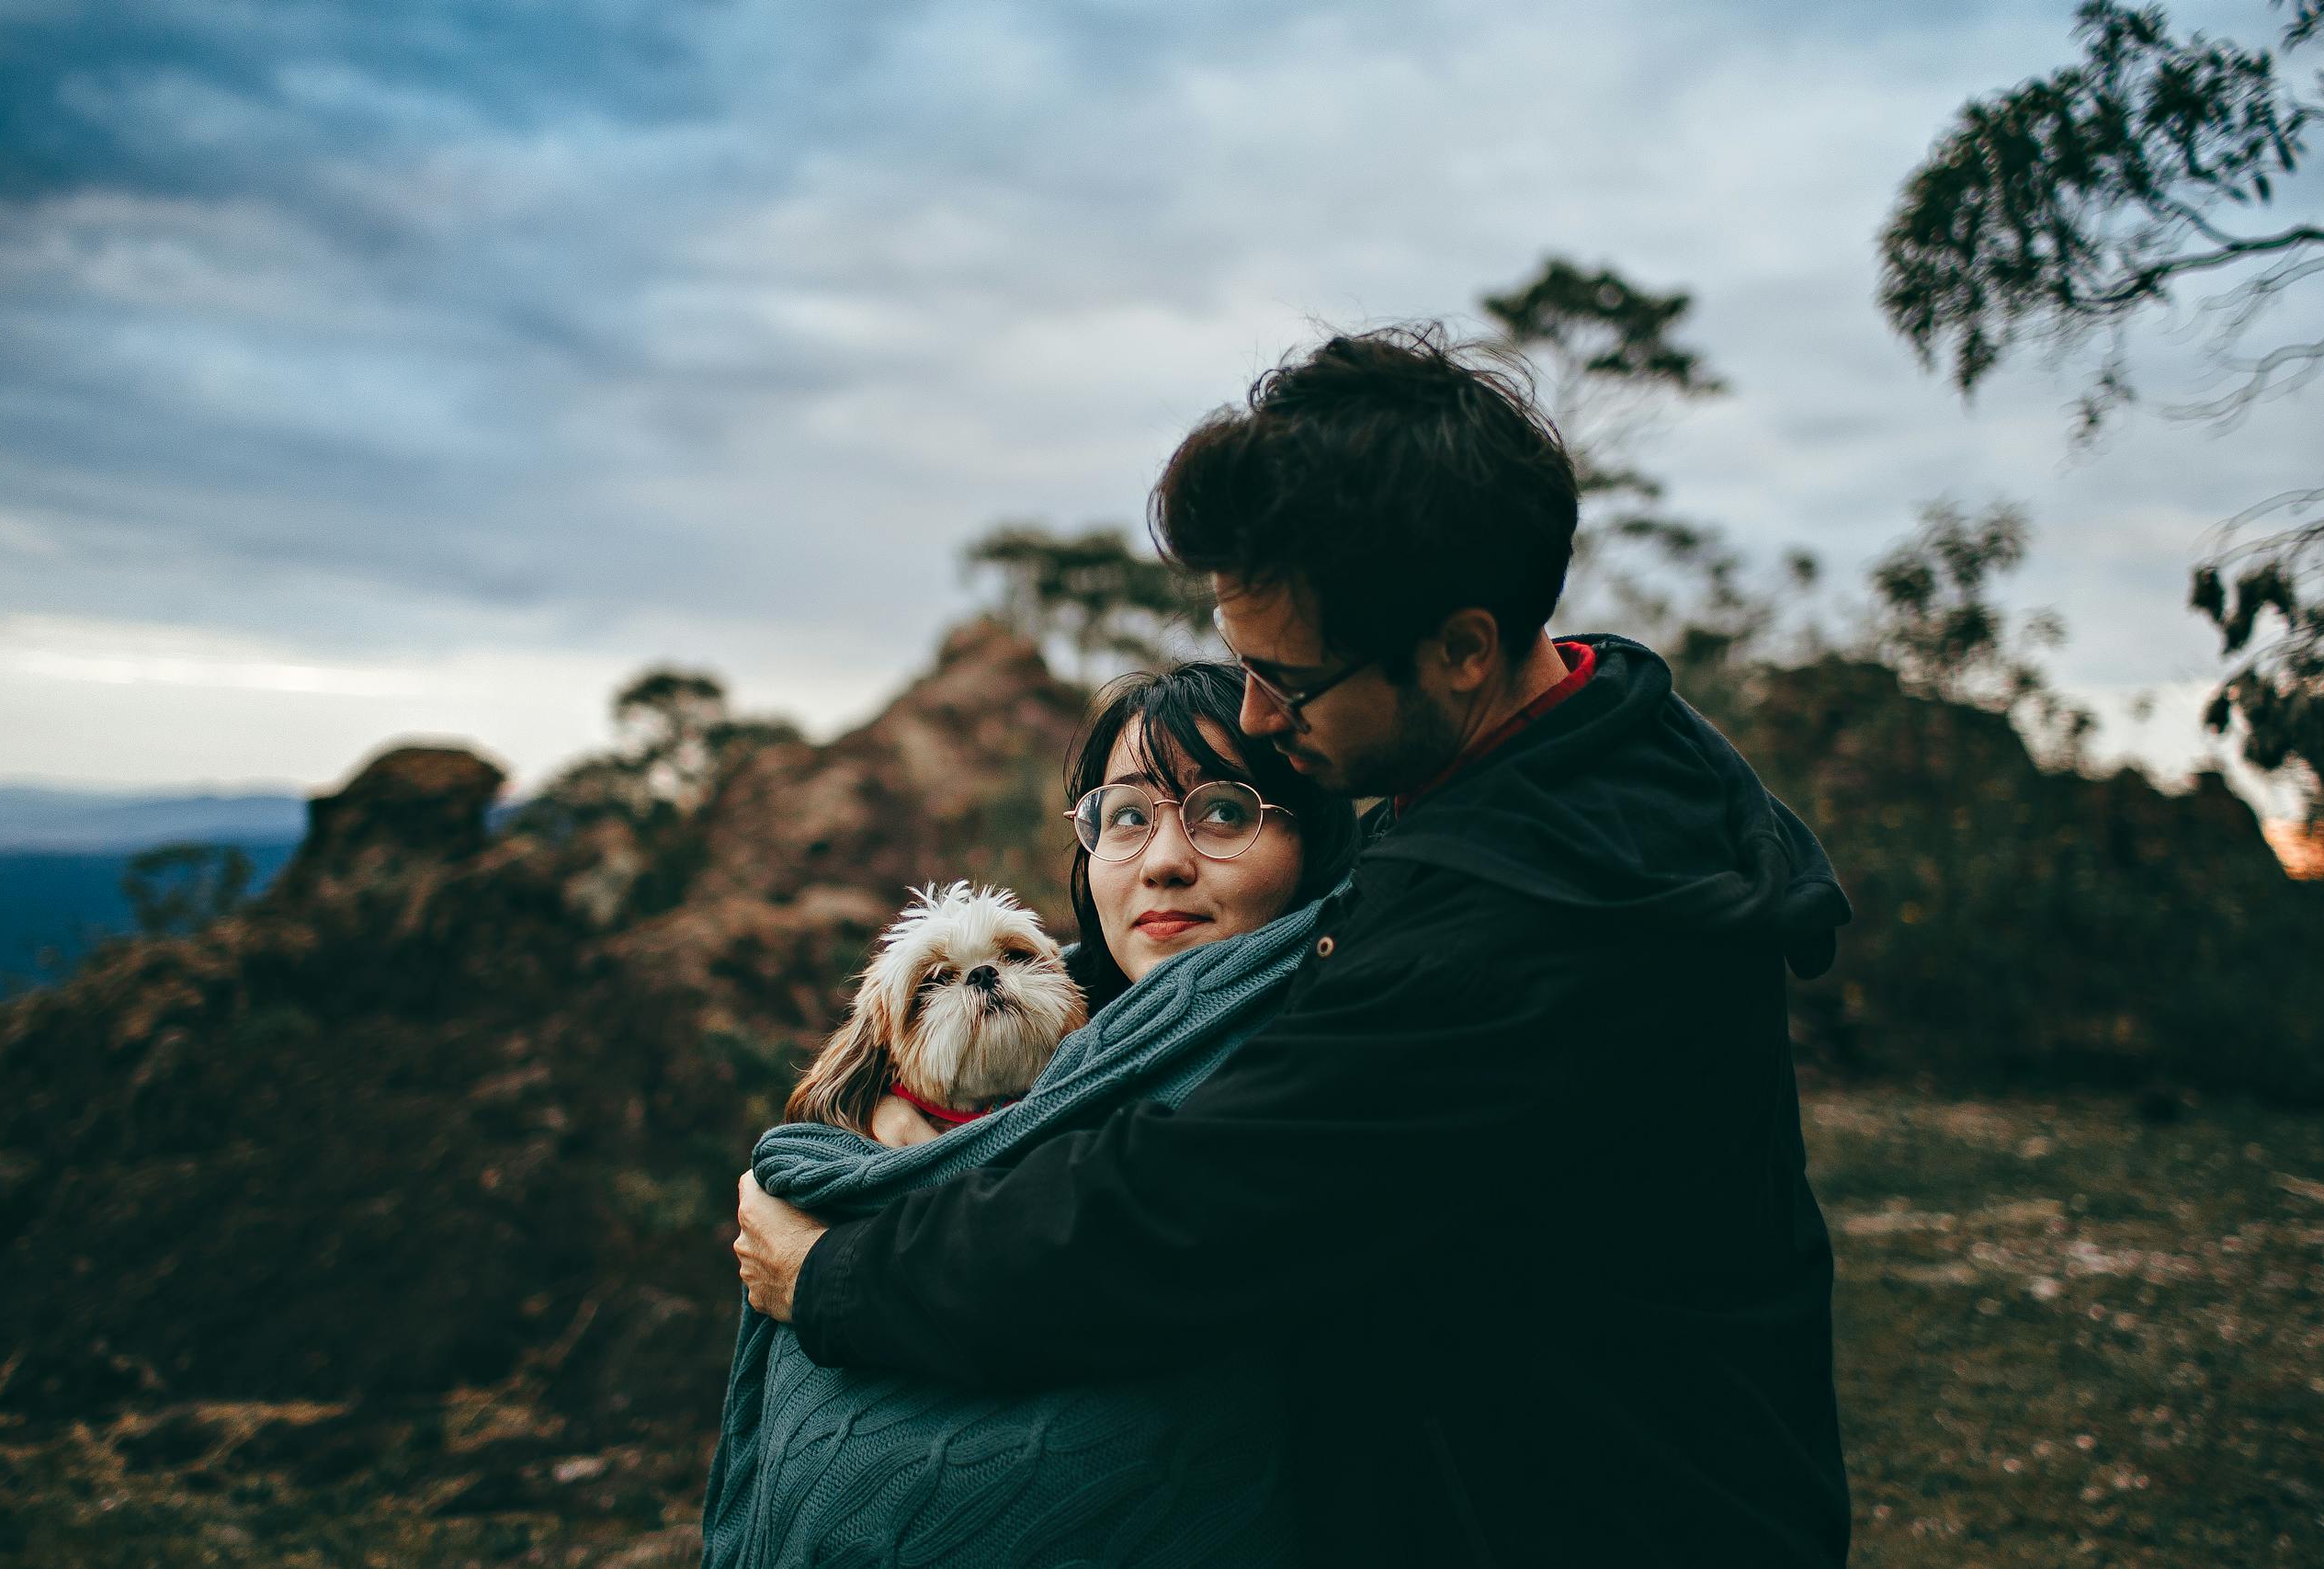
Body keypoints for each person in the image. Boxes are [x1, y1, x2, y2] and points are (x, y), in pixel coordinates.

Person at [735, 325, 1855, 1567]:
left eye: (1290, 680)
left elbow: (1175, 1210)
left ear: (1463, 647)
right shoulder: (1601, 756)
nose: (1260, 713)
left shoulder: (1520, 923)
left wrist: (838, 1276)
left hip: (1591, 1510)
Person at [705, 662, 1359, 1567]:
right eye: (1125, 816)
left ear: (1314, 837)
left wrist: (826, 1269)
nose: (1165, 860)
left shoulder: (1340, 1038)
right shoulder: (1077, 1033)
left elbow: (1121, 1247)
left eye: (1224, 811)